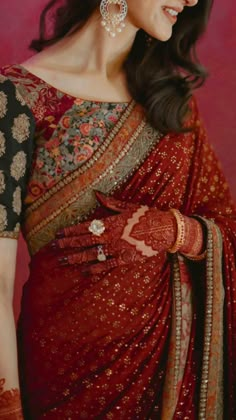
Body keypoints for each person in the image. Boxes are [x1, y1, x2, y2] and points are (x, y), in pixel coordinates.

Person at [0, 0, 235, 418]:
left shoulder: (172, 106)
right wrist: (9, 408)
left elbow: (227, 227)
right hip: (60, 378)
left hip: (165, 378)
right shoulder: (16, 98)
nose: (192, 0)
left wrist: (173, 231)